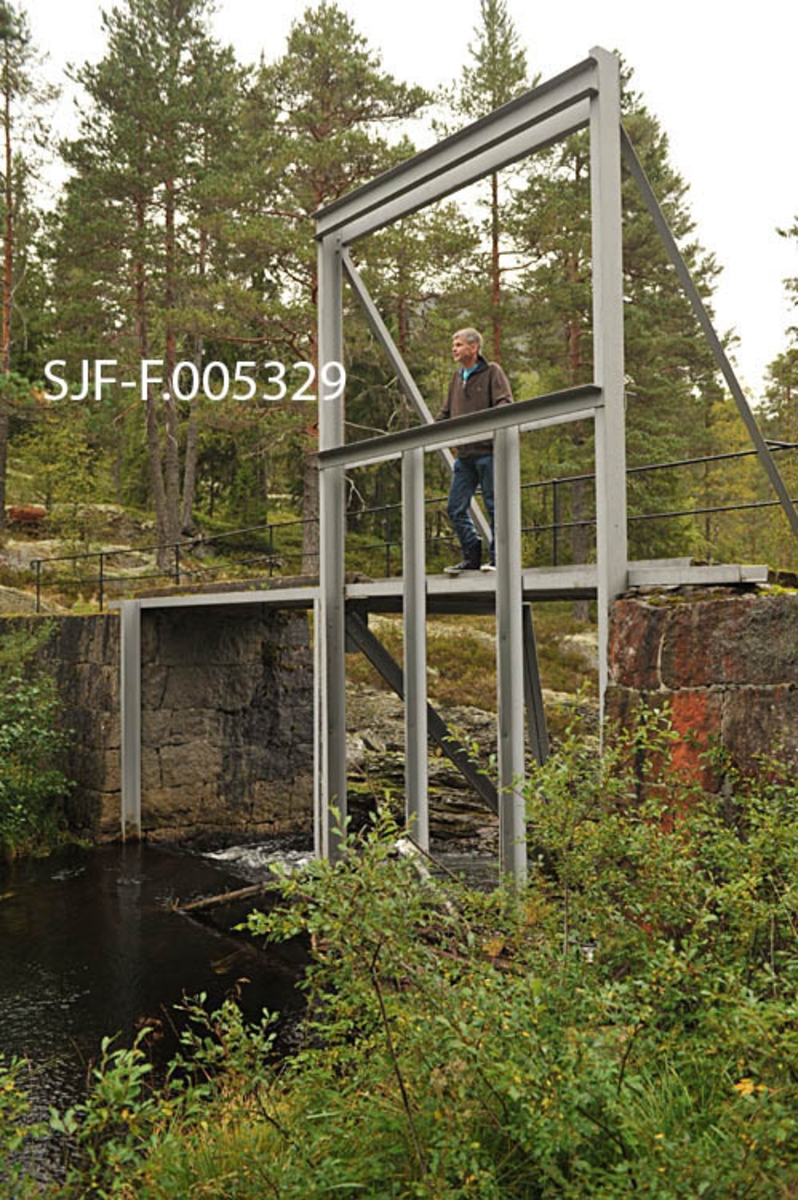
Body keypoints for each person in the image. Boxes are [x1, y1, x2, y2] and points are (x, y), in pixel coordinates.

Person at [436, 327, 513, 573]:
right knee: (455, 507)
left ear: (474, 347)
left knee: (494, 505)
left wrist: (490, 427)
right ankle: (471, 554)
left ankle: (498, 559)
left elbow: (505, 403)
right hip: (465, 455)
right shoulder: (456, 378)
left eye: (458, 344)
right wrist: (430, 433)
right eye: (453, 344)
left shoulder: (492, 372)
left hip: (489, 452)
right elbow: (445, 413)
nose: (454, 349)